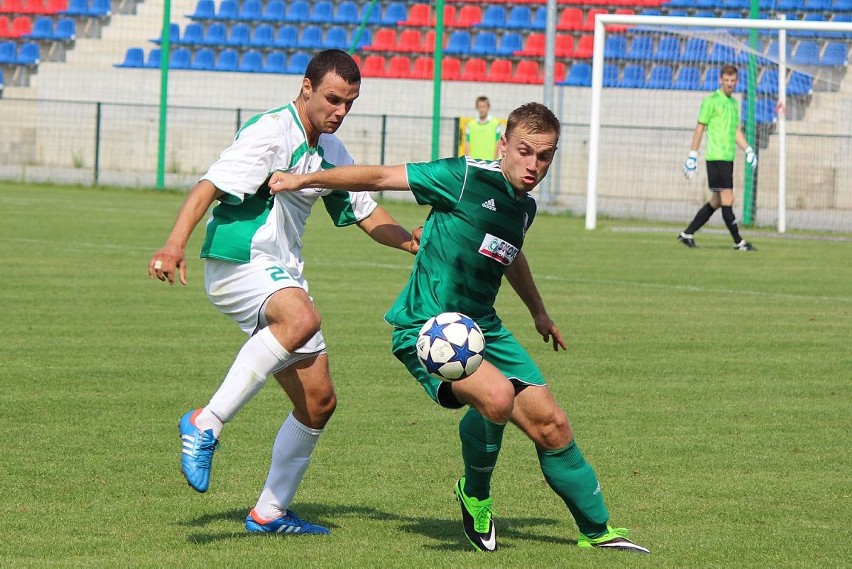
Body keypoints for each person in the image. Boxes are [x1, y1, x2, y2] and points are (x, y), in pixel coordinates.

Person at [268, 102, 650, 554]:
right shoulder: (463, 176)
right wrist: (303, 178)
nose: (533, 165)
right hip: (429, 327)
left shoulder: (523, 207)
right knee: (497, 397)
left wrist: (539, 313)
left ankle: (597, 532)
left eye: (544, 156)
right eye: (525, 151)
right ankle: (475, 496)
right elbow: (379, 177)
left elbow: (511, 254)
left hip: (485, 327)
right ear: (503, 145)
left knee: (552, 424)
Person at [147, 49, 420, 535]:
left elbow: (368, 215)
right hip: (240, 261)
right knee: (301, 319)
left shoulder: (331, 152)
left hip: (281, 273)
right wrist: (173, 244)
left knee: (318, 403)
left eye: (350, 104)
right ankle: (205, 422)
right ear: (307, 87)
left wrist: (415, 243)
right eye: (333, 99)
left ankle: (269, 512)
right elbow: (209, 185)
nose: (340, 111)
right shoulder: (270, 132)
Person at [680, 64, 758, 251]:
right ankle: (739, 242)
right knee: (727, 198)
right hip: (715, 158)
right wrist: (692, 155)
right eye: (726, 81)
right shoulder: (711, 101)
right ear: (720, 80)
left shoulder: (733, 103)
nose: (730, 84)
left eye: (733, 81)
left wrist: (748, 149)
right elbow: (700, 127)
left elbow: (735, 131)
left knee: (717, 201)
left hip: (728, 158)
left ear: (736, 81)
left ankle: (687, 233)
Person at [463, 96, 502, 160]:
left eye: (484, 106)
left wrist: (494, 162)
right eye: (479, 107)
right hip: (475, 163)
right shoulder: (470, 125)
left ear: (488, 107)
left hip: (490, 163)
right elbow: (467, 144)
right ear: (477, 108)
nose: (482, 109)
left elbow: (497, 143)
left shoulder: (495, 124)